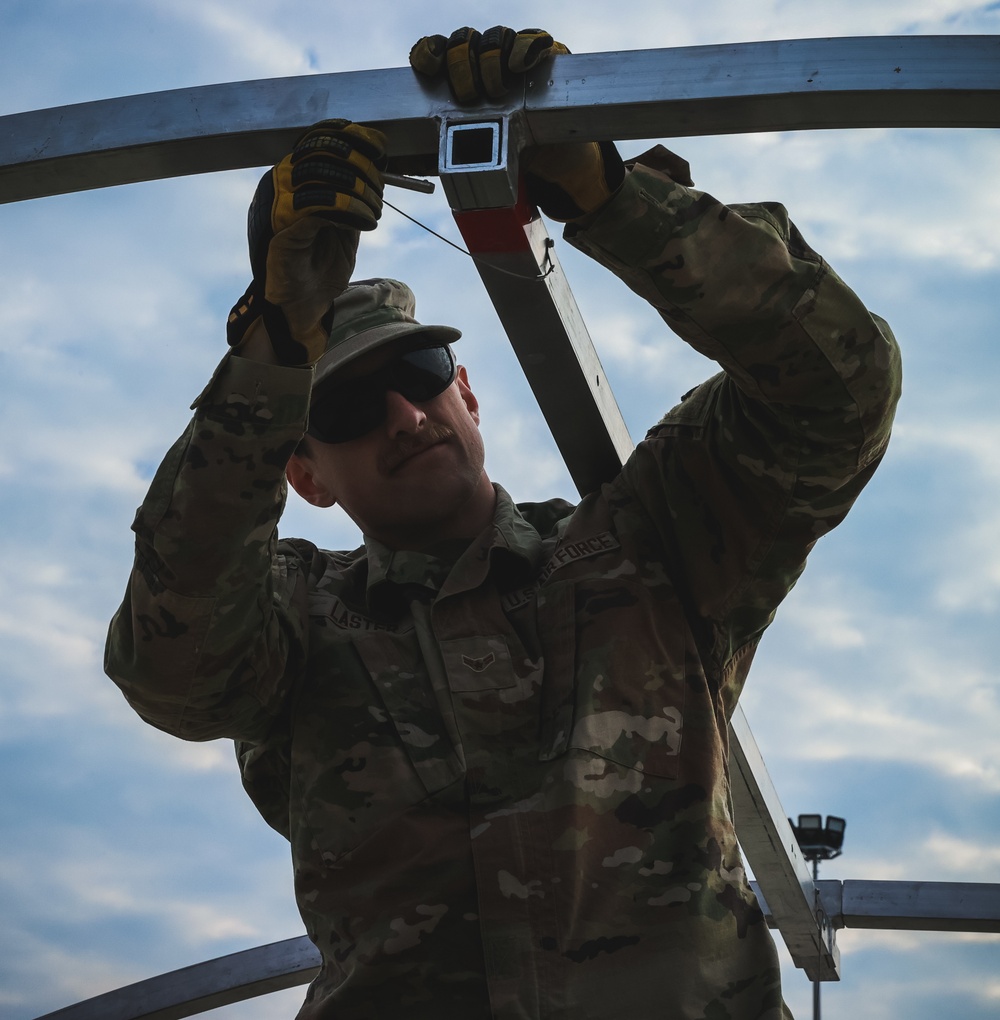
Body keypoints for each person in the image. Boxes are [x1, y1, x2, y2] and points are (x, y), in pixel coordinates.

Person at [105, 26, 901, 1020]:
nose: (404, 414)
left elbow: (836, 391)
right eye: (352, 409)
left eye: (419, 374)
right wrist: (271, 353)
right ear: (301, 473)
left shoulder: (646, 544)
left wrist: (608, 195)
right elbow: (170, 666)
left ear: (466, 392)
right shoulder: (297, 623)